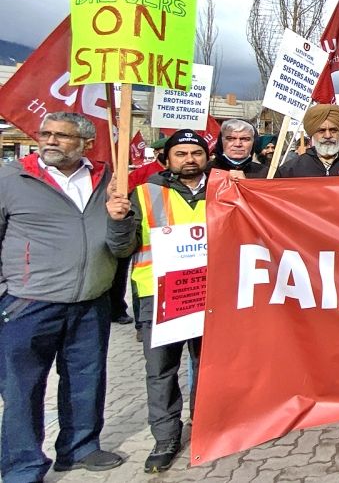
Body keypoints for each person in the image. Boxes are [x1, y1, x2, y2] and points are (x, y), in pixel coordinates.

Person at [0, 112, 132, 481]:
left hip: (91, 301)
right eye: (46, 133)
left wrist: (120, 219)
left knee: (86, 378)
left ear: (86, 143)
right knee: (22, 387)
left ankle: (79, 448)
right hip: (28, 303)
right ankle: (22, 464)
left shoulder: (109, 178)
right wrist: (6, 294)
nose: (51, 140)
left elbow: (122, 248)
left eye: (62, 135)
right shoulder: (11, 178)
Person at [108, 129, 208, 473]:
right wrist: (118, 221)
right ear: (166, 160)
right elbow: (122, 249)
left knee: (209, 366)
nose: (190, 159)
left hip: (210, 293)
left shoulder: (225, 190)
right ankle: (166, 437)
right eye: (181, 153)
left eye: (196, 153)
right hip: (160, 297)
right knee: (161, 370)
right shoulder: (142, 194)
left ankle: (206, 424)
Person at [277, 104, 339, 177]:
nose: (328, 135)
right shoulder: (291, 169)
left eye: (333, 130)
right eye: (321, 131)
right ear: (312, 134)